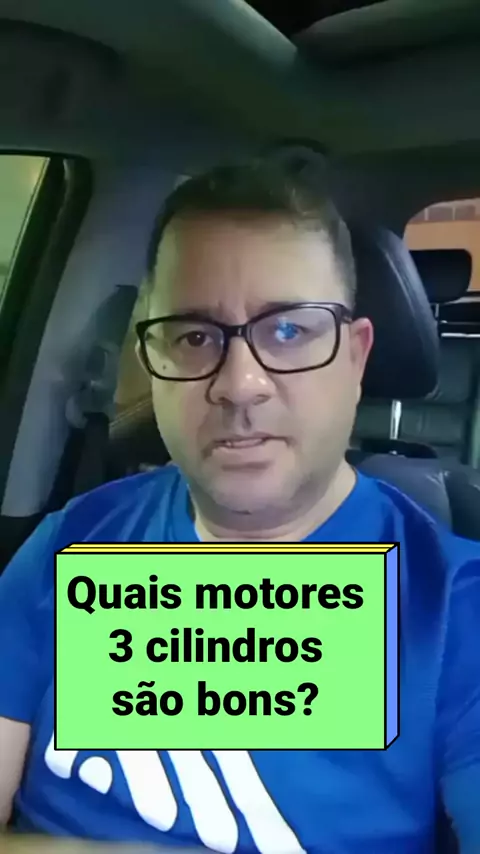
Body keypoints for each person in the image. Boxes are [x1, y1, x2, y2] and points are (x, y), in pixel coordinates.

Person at [0, 151, 479, 854]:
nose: (239, 383)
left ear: (355, 357)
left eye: (288, 330)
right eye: (195, 337)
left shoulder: (455, 607)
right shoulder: (68, 545)